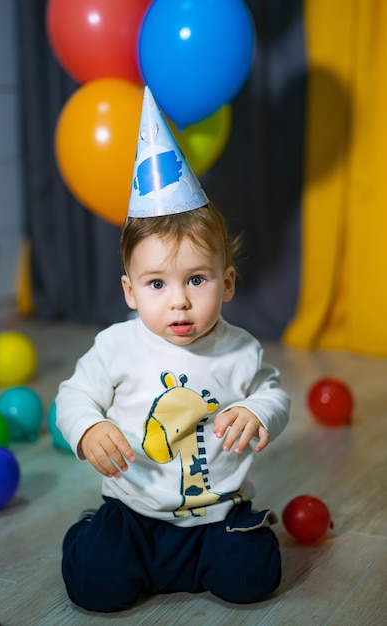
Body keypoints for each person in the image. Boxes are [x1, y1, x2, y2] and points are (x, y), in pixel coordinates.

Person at [56, 87, 290, 613]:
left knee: (253, 578)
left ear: (227, 283)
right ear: (130, 291)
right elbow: (74, 395)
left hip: (216, 513)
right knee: (96, 586)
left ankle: (211, 557)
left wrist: (258, 411)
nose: (179, 301)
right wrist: (88, 428)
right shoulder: (116, 345)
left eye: (197, 279)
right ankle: (89, 535)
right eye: (157, 284)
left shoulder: (240, 349)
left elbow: (274, 393)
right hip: (134, 511)